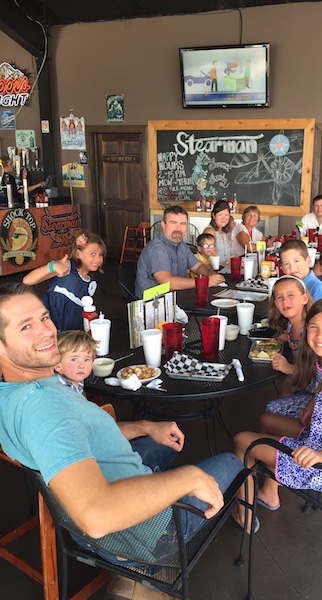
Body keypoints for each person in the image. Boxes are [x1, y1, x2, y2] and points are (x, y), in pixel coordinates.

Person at [0, 283, 244, 567]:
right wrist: (188, 478)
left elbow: (84, 432)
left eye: (44, 317)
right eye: (25, 327)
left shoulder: (16, 391)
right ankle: (140, 574)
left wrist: (146, 427)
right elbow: (96, 516)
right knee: (233, 462)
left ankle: (153, 481)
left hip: (89, 510)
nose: (46, 330)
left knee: (163, 446)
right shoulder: (44, 408)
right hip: (143, 537)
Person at [233, 297, 322, 529]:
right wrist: (314, 401)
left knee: (242, 441)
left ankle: (244, 516)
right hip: (320, 436)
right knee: (267, 420)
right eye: (314, 327)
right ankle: (270, 492)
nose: (320, 335)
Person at [55, 329, 178, 472]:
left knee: (167, 444)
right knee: (168, 448)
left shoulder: (75, 382)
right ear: (57, 365)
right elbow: (92, 437)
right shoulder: (63, 396)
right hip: (96, 462)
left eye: (87, 359)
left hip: (100, 448)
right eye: (74, 359)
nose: (82, 365)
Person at [23, 229, 106, 332]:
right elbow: (27, 280)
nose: (98, 259)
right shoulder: (67, 267)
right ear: (78, 254)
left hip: (72, 334)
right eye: (93, 254)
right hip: (50, 330)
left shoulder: (91, 283)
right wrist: (52, 267)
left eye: (100, 255)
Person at [135, 206, 224, 297]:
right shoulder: (157, 248)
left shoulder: (181, 246)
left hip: (175, 298)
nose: (178, 228)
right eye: (173, 223)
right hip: (152, 302)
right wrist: (204, 282)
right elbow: (168, 283)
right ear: (163, 224)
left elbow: (198, 267)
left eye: (183, 224)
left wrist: (213, 275)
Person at [267, 276, 312, 377]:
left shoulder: (311, 329)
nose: (285, 301)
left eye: (291, 295)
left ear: (304, 299)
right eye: (280, 297)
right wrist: (287, 338)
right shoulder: (290, 325)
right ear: (276, 303)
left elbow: (317, 369)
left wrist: (289, 368)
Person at [203, 199, 233, 264]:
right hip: (213, 269)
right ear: (214, 215)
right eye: (220, 215)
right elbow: (211, 255)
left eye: (226, 215)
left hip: (225, 268)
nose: (223, 218)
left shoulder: (224, 233)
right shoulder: (210, 231)